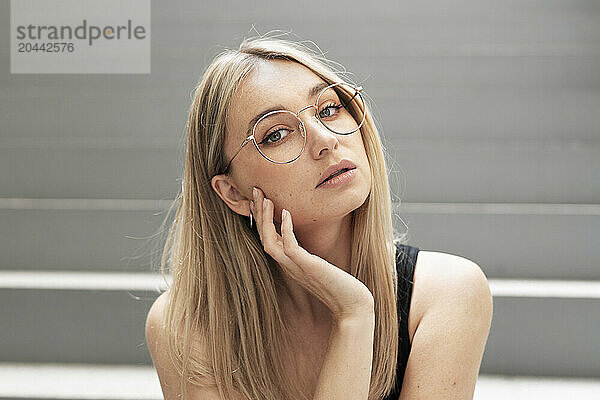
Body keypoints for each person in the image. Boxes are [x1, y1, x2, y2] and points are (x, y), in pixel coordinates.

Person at [145, 34, 493, 400]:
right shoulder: (185, 325)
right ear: (233, 192)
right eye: (276, 134)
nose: (325, 139)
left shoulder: (446, 293)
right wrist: (353, 316)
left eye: (329, 108)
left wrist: (354, 310)